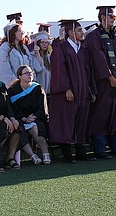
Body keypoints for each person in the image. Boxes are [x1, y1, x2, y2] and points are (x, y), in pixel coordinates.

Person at [84, 6, 116, 158]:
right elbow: (98, 59)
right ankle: (100, 149)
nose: (113, 19)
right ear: (103, 17)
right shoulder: (94, 36)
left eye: (114, 17)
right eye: (111, 17)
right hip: (104, 84)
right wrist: (109, 77)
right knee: (101, 116)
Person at [49, 19, 94, 162]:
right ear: (71, 32)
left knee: (81, 119)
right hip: (68, 92)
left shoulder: (83, 49)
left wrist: (90, 89)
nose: (83, 33)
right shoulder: (61, 48)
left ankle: (81, 152)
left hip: (82, 92)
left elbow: (89, 71)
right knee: (67, 120)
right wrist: (66, 89)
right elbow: (59, 71)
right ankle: (67, 153)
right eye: (80, 30)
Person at [8, 65, 51, 165]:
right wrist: (23, 118)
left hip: (36, 117)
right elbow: (12, 108)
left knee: (34, 128)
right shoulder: (13, 91)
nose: (30, 74)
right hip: (20, 119)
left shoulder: (37, 88)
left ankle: (45, 153)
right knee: (19, 130)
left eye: (31, 72)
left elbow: (42, 108)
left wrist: (34, 117)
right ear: (20, 76)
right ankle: (32, 156)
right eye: (27, 73)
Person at [0, 22, 39, 87]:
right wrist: (15, 83)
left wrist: (30, 79)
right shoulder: (5, 47)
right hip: (13, 85)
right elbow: (4, 68)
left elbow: (30, 65)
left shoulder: (24, 48)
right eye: (19, 31)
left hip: (26, 84)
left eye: (22, 31)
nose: (22, 33)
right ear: (13, 33)